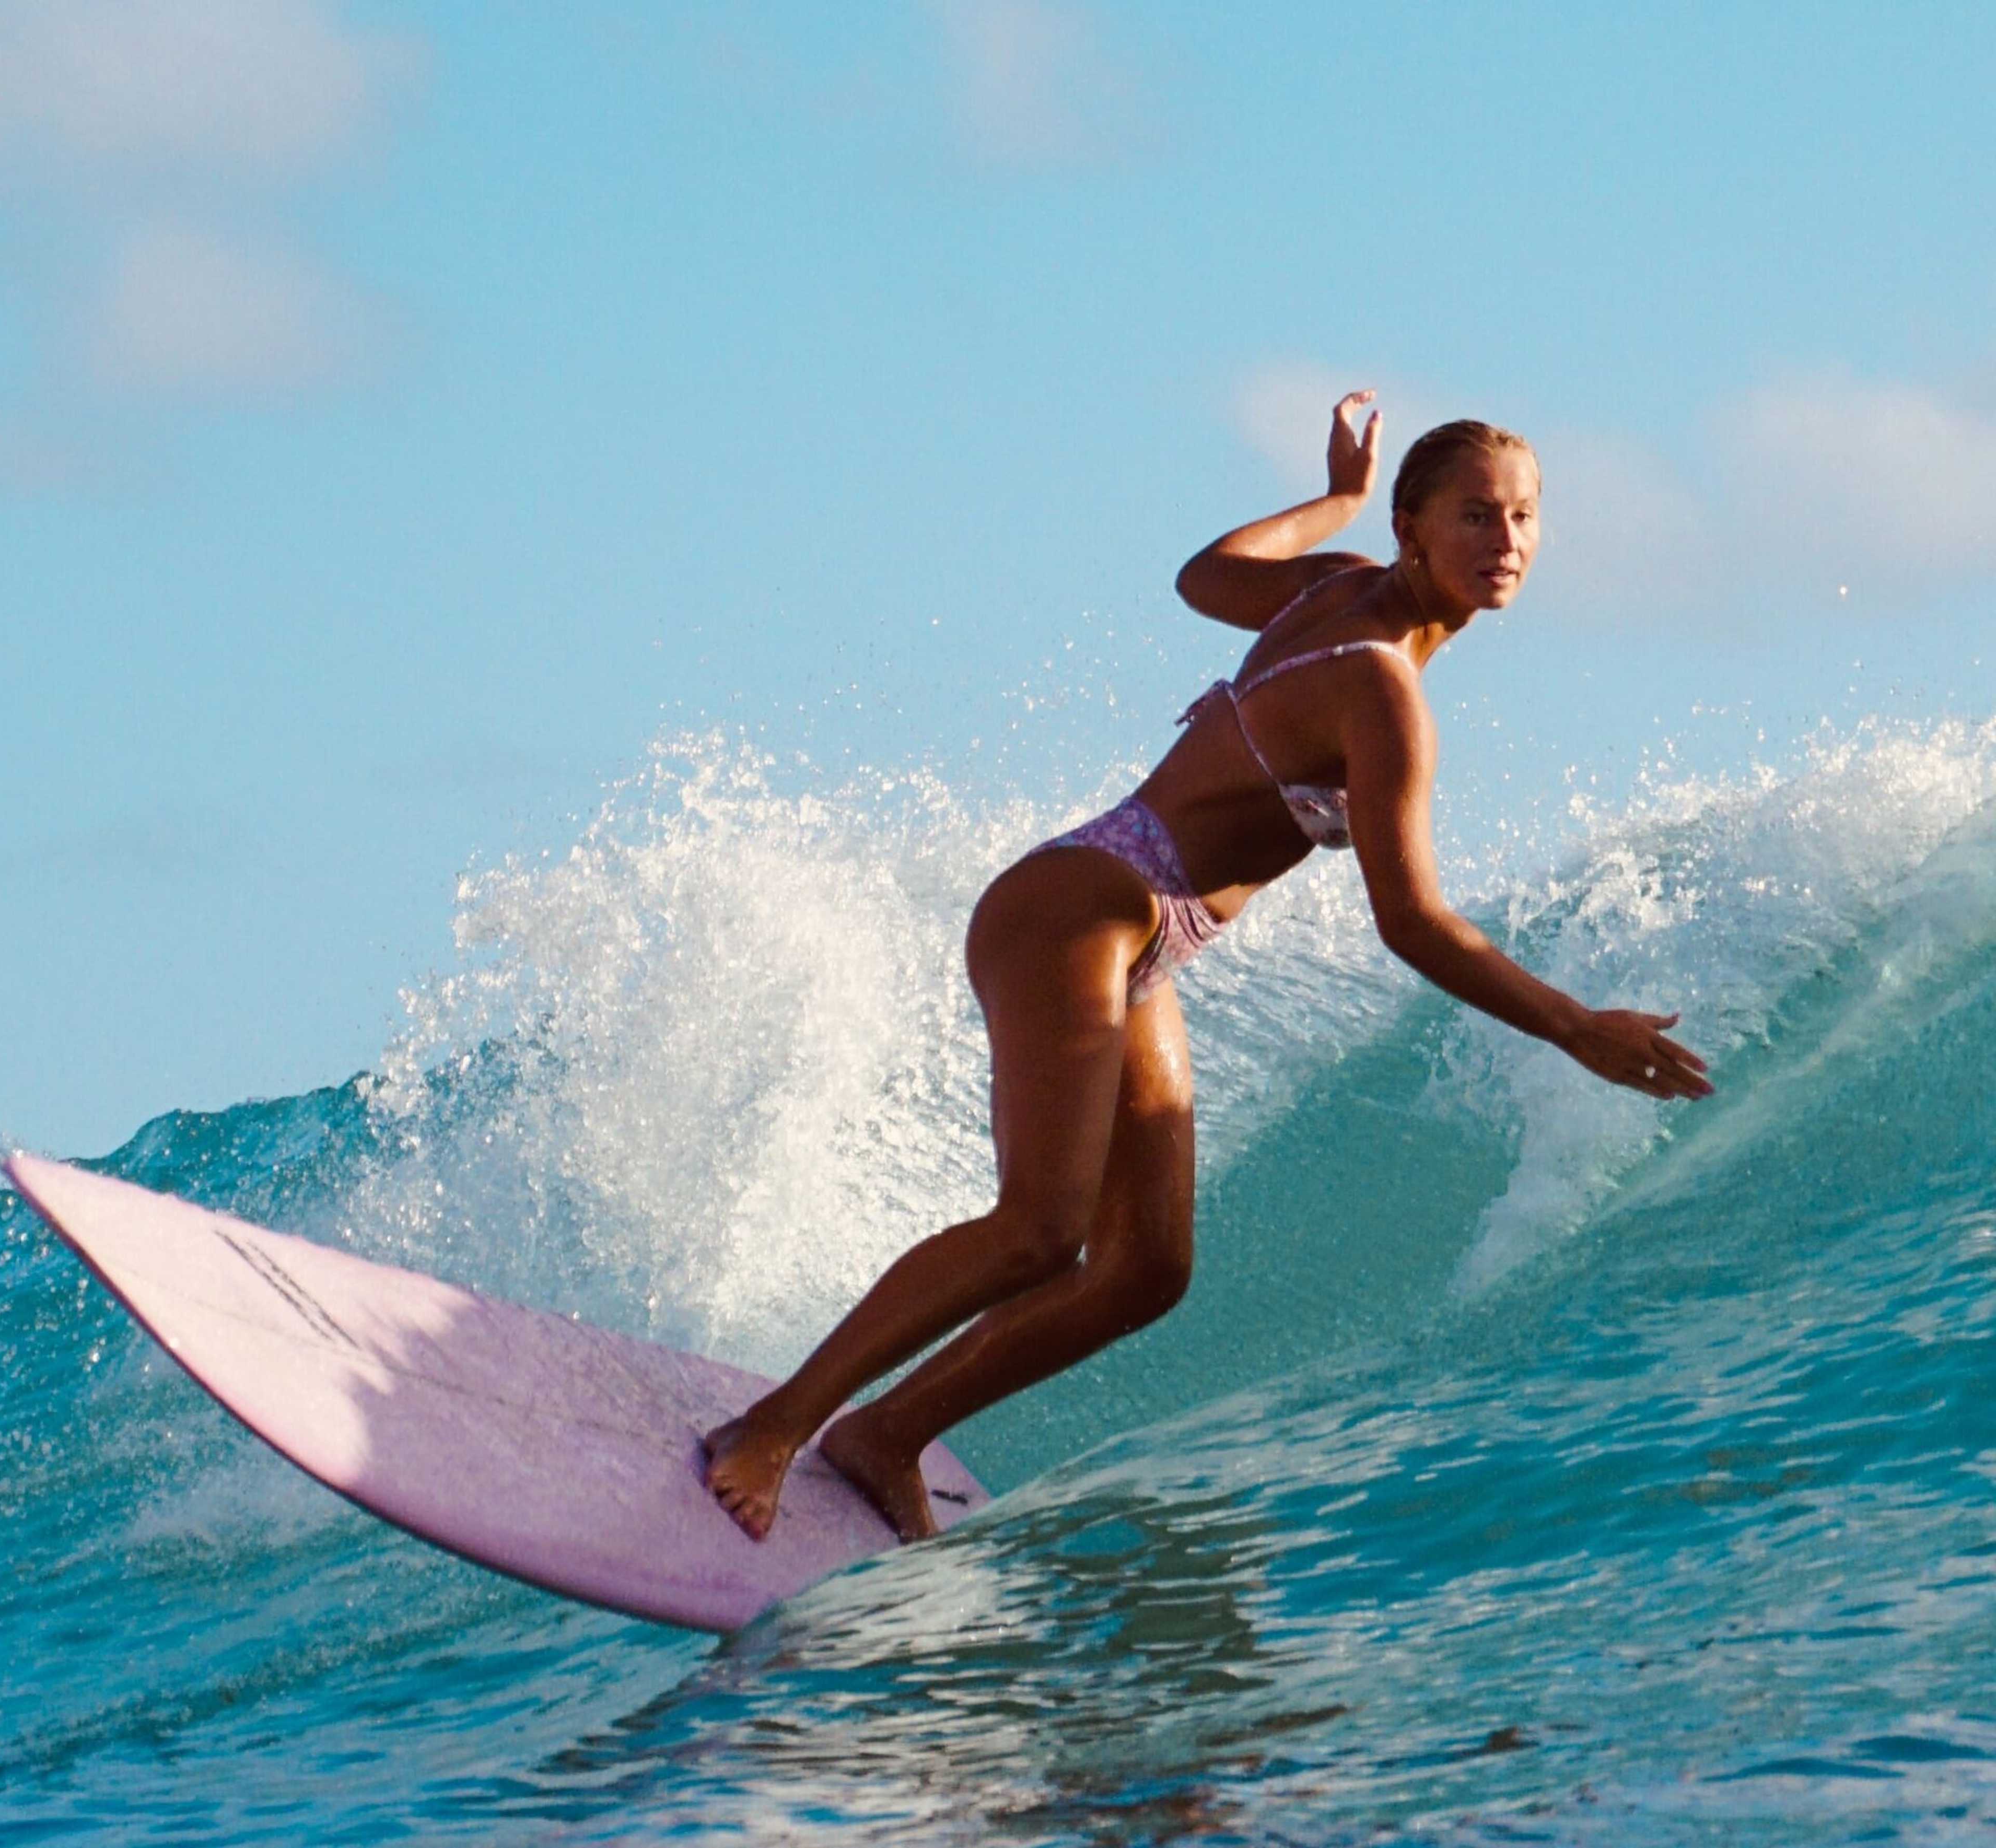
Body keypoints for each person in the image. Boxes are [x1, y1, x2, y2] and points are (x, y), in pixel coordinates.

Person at [703, 390, 1712, 1544]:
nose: (1507, 543)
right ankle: (772, 1424)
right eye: (1476, 517)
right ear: (1411, 528)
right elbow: (1413, 921)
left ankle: (886, 1432)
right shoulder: (1379, 681)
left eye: (1525, 518)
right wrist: (1574, 1025)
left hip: (1141, 931)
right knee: (1040, 1229)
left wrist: (1327, 502)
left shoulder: (1333, 585)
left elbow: (1205, 573)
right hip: (1080, 906)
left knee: (1144, 1267)